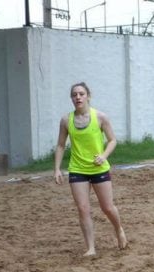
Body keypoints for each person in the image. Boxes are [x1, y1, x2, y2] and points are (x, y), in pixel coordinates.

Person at [54, 82, 127, 257]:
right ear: (71, 98)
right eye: (74, 95)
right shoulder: (66, 120)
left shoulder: (100, 117)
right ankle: (91, 248)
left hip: (99, 168)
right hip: (77, 169)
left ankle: (119, 230)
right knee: (83, 208)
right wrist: (57, 169)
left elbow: (112, 140)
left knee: (107, 207)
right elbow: (60, 145)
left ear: (88, 96)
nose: (78, 97)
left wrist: (104, 155)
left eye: (81, 94)